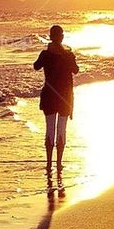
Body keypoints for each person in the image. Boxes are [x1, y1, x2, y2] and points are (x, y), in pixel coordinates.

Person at [33, 24, 79, 185]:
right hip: (65, 97)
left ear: (50, 37)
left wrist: (48, 51)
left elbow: (36, 66)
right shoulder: (68, 54)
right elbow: (76, 70)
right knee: (61, 130)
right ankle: (59, 164)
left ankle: (48, 164)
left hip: (49, 95)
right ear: (62, 37)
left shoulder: (45, 54)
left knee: (50, 129)